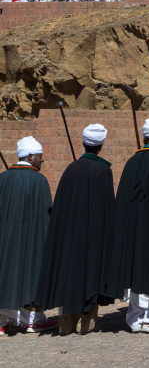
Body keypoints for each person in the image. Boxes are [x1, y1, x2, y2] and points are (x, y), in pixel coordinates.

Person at [35, 124, 115, 335]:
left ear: (84, 143)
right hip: (92, 233)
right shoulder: (103, 171)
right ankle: (86, 323)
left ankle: (66, 323)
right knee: (90, 273)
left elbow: (60, 205)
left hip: (70, 234)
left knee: (70, 273)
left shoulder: (71, 169)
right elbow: (107, 208)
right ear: (101, 145)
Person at [107, 118, 149, 334]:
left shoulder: (132, 162)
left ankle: (136, 318)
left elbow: (124, 199)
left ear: (145, 137)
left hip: (136, 229)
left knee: (137, 269)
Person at [0, 137, 58, 336]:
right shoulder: (38, 180)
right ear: (30, 156)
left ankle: (2, 319)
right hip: (31, 240)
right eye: (40, 157)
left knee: (5, 270)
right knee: (30, 272)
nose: (42, 161)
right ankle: (33, 319)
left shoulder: (3, 178)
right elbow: (44, 216)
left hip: (6, 240)